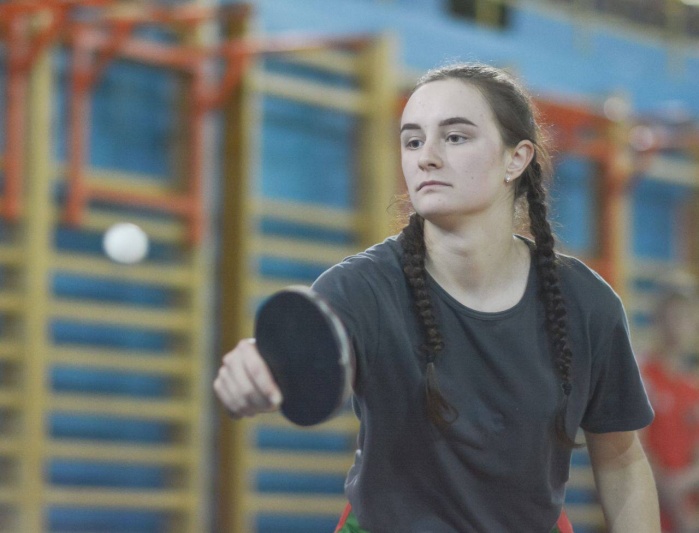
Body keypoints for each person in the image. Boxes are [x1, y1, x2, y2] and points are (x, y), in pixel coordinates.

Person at [214, 62, 660, 532]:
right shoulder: (361, 288)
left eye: (455, 137)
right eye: (412, 141)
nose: (426, 157)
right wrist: (257, 368)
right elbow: (302, 351)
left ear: (516, 159)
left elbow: (621, 460)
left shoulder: (587, 305)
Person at [641, 289, 699, 532]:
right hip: (650, 511)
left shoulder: (694, 387)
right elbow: (636, 448)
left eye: (685, 317)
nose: (677, 327)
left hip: (688, 515)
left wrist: (684, 486)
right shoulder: (643, 376)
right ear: (658, 321)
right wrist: (675, 503)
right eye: (672, 317)